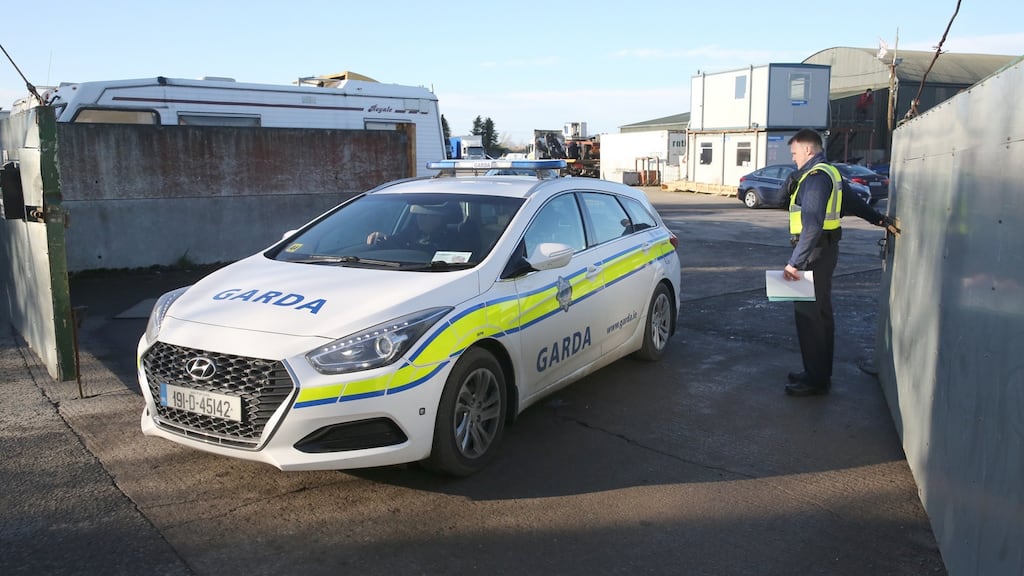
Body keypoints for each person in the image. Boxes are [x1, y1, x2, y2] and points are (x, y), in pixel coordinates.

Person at [781, 129, 844, 397]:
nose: (793, 159)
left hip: (812, 255)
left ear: (808, 150)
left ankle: (815, 380)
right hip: (823, 253)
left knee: (809, 318)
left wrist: (794, 263)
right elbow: (851, 202)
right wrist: (878, 219)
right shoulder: (830, 172)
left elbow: (812, 225)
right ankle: (818, 372)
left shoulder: (816, 178)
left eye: (794, 153)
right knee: (821, 316)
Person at [366, 203, 455, 252]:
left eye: (428, 215)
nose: (421, 219)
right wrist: (382, 238)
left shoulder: (454, 239)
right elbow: (397, 241)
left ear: (440, 219)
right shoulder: (411, 233)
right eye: (419, 215)